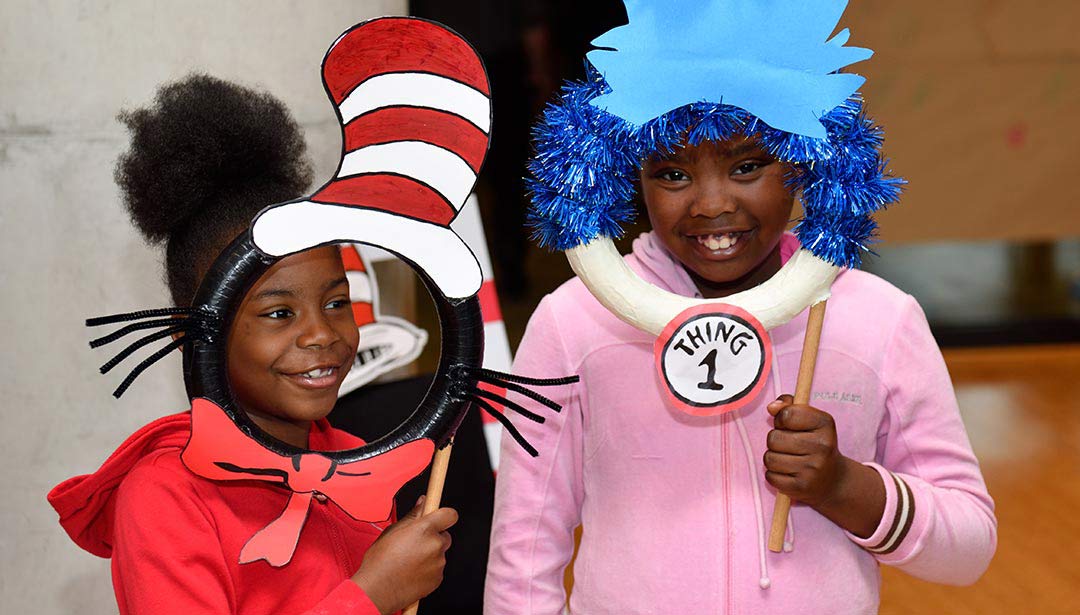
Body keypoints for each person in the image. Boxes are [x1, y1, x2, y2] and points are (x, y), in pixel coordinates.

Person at [485, 4, 997, 611]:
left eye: (748, 166)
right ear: (630, 177)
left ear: (809, 163)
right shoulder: (574, 323)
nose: (710, 204)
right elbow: (524, 547)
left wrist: (844, 486)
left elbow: (970, 548)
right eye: (672, 173)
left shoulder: (879, 320)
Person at [47, 75, 456, 615]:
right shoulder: (165, 496)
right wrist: (373, 594)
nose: (321, 334)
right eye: (279, 313)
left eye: (337, 302)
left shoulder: (359, 462)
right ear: (192, 337)